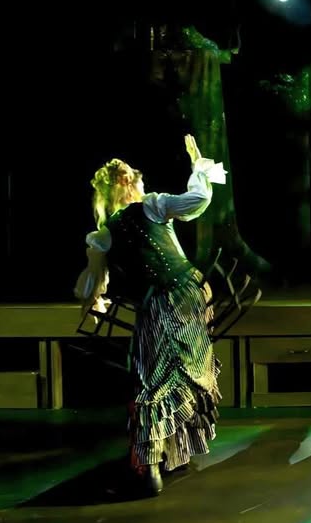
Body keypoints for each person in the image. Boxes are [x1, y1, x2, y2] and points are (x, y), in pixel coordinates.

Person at [75, 134, 227, 495]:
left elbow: (94, 282)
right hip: (188, 292)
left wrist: (94, 302)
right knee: (176, 371)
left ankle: (153, 465)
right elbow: (198, 199)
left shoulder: (104, 235)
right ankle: (169, 456)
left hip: (165, 301)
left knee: (152, 379)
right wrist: (198, 166)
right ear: (130, 183)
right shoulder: (153, 206)